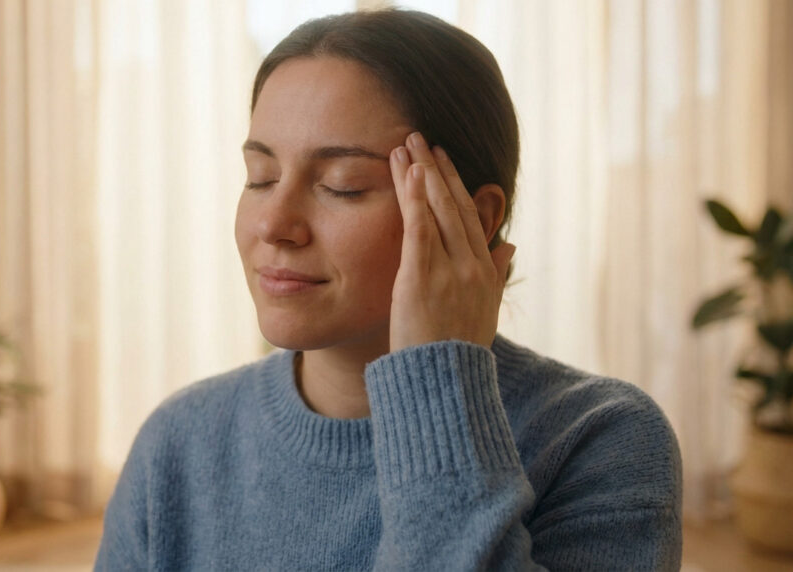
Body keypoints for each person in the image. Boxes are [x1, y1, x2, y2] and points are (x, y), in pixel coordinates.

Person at [95, 8, 682, 571]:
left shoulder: (601, 439)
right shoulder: (179, 442)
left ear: (473, 219)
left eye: (343, 185)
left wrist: (438, 379)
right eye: (261, 178)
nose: (274, 225)